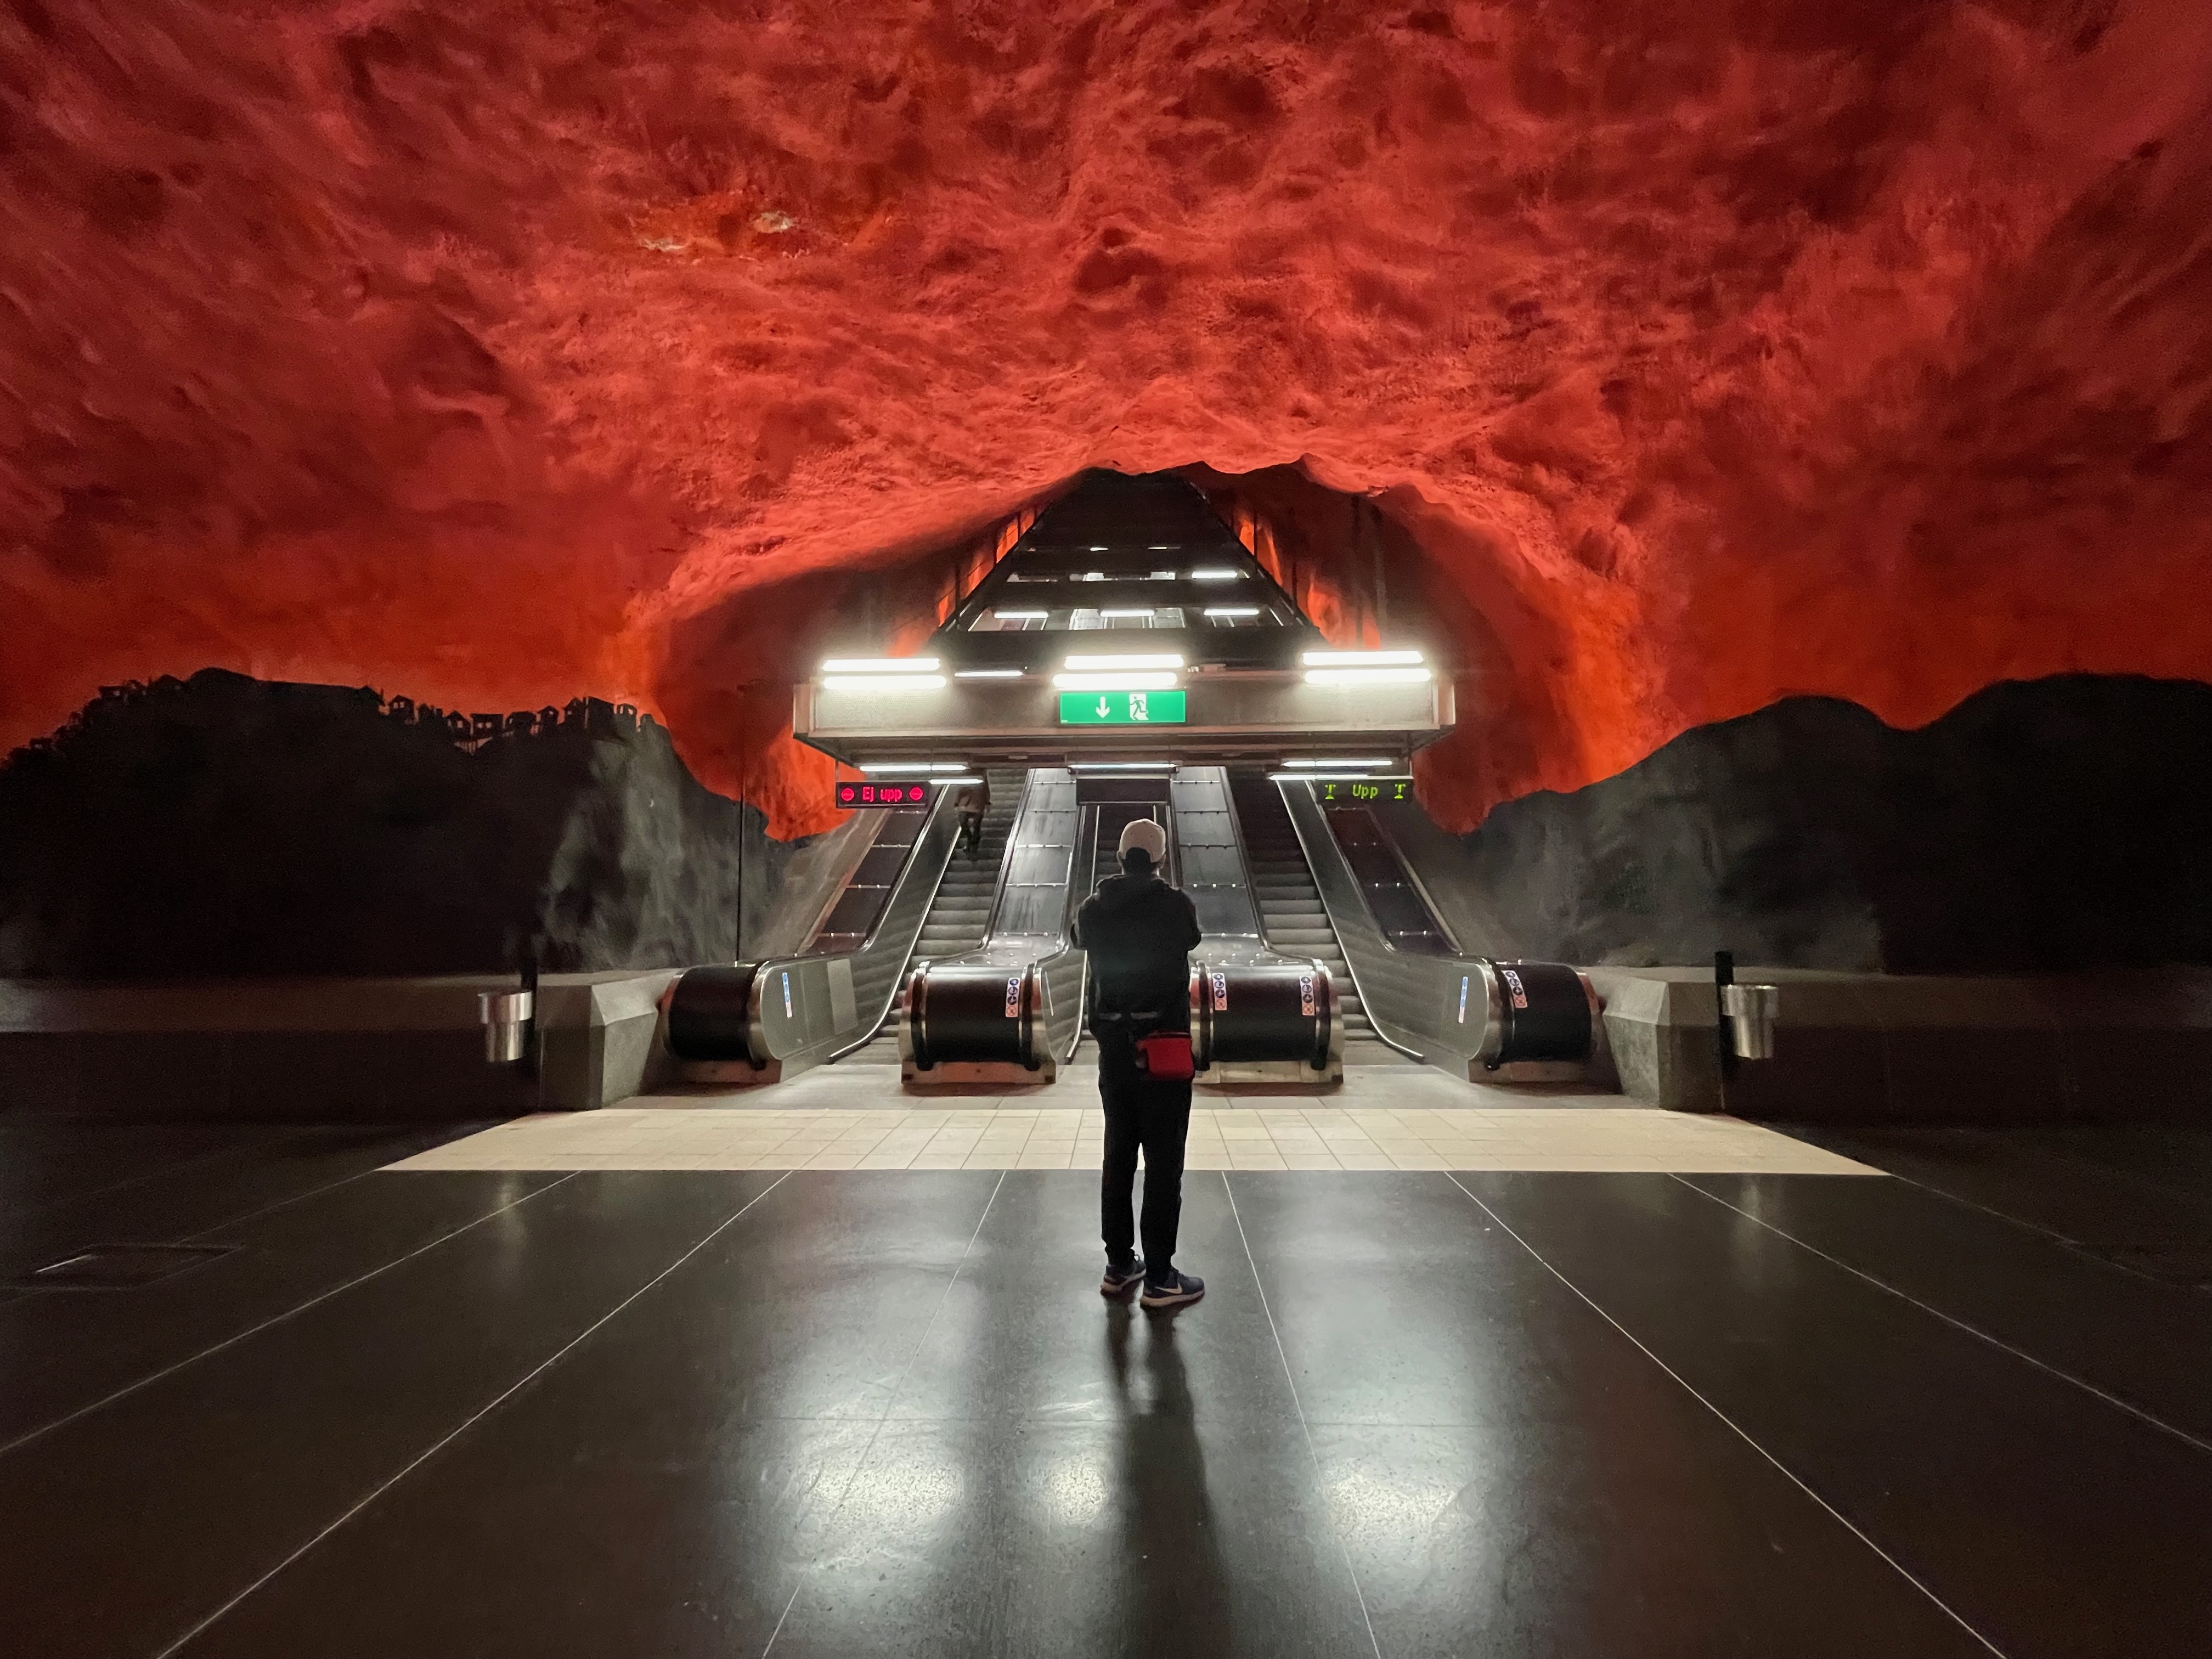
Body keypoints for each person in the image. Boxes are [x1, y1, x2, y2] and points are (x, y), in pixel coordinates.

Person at [1073, 816, 1206, 1309]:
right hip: (1164, 1051)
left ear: (1119, 859)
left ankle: (1118, 1265)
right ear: (1160, 859)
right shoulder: (1176, 906)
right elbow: (1191, 938)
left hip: (1114, 1053)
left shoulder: (1094, 908)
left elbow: (1075, 936)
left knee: (1119, 1158)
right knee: (1164, 1163)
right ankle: (1161, 1277)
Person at [951, 770, 990, 858]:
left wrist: (987, 803)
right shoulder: (965, 775)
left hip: (978, 803)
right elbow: (960, 790)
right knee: (963, 822)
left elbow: (986, 789)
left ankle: (973, 843)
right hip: (965, 804)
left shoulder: (981, 774)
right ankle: (970, 837)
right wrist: (956, 804)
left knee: (976, 825)